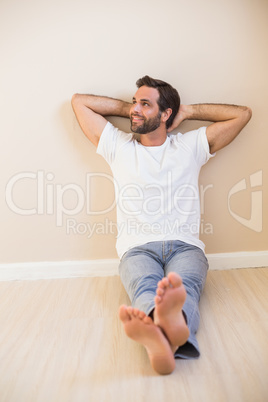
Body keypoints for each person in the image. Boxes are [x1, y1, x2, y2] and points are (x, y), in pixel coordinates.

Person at [71, 76, 251, 375]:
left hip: (186, 246)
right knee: (146, 287)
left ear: (166, 113)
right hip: (137, 248)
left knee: (184, 288)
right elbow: (80, 102)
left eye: (145, 104)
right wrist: (130, 108)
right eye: (134, 102)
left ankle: (159, 336)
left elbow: (242, 114)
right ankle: (171, 333)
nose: (134, 110)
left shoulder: (191, 145)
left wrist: (187, 111)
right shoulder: (118, 146)